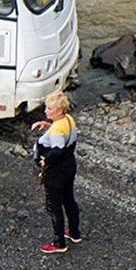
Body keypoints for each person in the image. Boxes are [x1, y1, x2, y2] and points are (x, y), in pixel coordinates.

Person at [32, 92, 81, 254]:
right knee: (69, 200)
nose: (46, 111)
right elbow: (63, 137)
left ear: (59, 111)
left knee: (54, 207)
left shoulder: (56, 132)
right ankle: (74, 233)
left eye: (49, 108)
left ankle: (59, 243)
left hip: (56, 172)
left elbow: (58, 149)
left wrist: (47, 160)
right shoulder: (68, 119)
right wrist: (47, 125)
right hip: (69, 166)